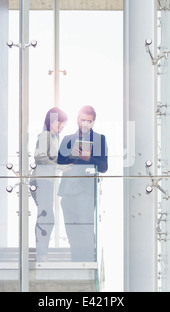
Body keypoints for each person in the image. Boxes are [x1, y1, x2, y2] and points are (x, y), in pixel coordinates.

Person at [57, 105, 108, 262]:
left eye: (89, 121)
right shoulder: (67, 139)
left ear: (93, 122)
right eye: (82, 120)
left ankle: (87, 262)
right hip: (68, 191)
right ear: (77, 119)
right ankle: (76, 261)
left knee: (85, 227)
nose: (85, 124)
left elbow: (104, 167)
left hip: (86, 190)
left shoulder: (100, 139)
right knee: (71, 229)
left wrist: (89, 159)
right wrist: (72, 157)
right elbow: (58, 161)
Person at [31, 107, 67, 261]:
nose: (62, 127)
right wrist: (59, 165)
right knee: (46, 216)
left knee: (46, 215)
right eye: (60, 124)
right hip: (41, 180)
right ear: (52, 122)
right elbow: (39, 157)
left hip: (47, 181)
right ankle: (41, 254)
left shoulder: (54, 139)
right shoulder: (45, 135)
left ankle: (42, 253)